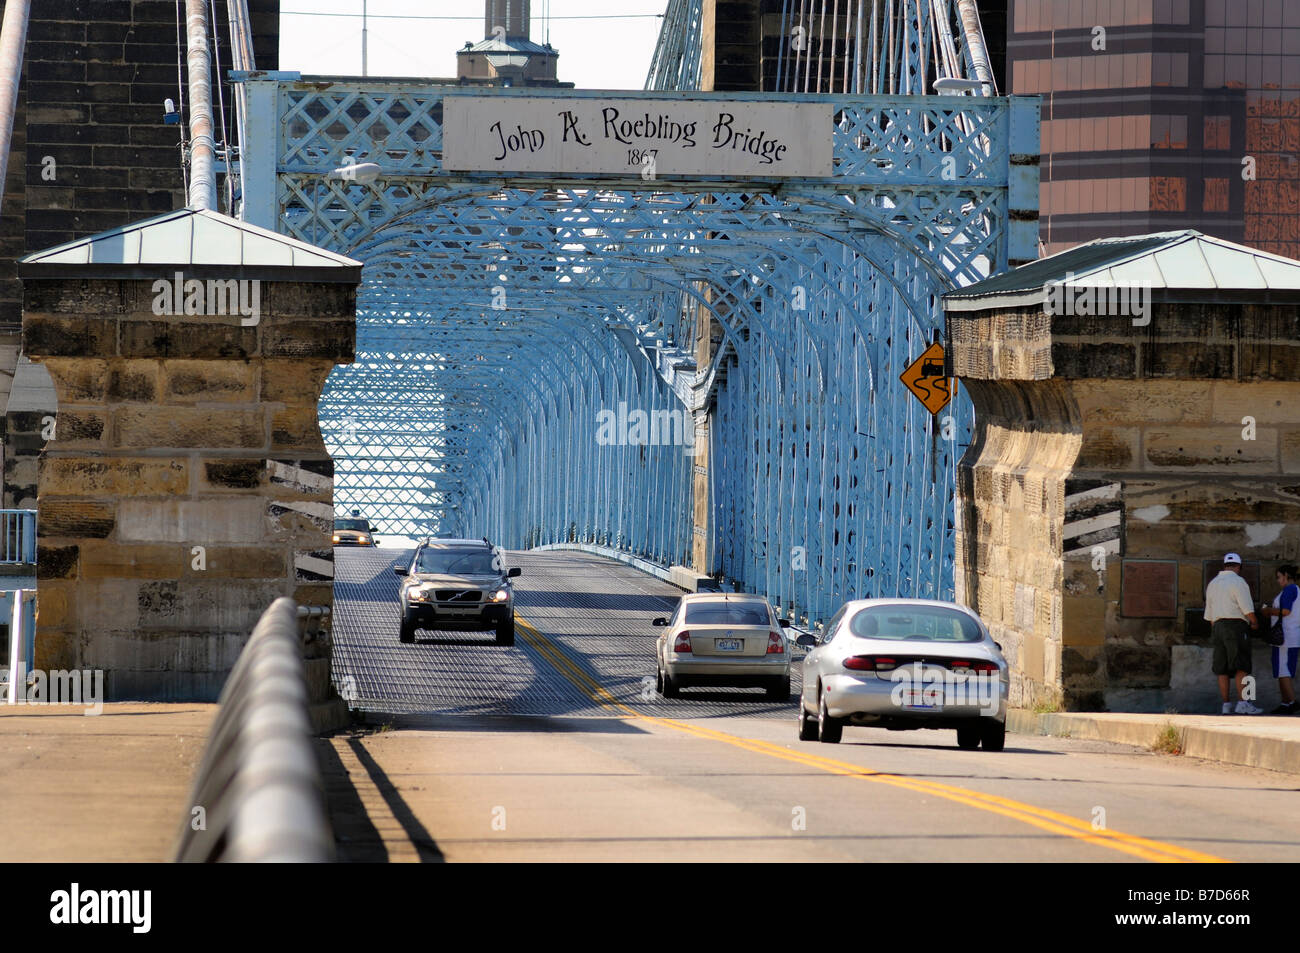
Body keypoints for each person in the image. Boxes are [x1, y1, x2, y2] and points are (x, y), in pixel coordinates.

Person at [1204, 552, 1261, 715]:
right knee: (1242, 666)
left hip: (1217, 626)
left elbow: (1209, 614)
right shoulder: (1238, 581)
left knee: (1222, 668)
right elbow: (1246, 607)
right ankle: (1244, 703)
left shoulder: (1213, 584)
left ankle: (1226, 705)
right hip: (1236, 625)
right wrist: (1254, 622)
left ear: (1224, 566)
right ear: (1239, 566)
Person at [1259, 563, 1300, 715]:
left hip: (1286, 637)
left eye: (1279, 577)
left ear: (1285, 576)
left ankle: (1292, 702)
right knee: (1281, 670)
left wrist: (1268, 611)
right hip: (1286, 637)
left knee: (1284, 671)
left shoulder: (1290, 589)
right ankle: (1286, 702)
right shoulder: (1292, 590)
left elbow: (1286, 611)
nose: (1278, 580)